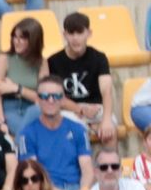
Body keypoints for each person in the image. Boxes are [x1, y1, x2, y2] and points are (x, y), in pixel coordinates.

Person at [20, 74, 95, 190]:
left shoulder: (77, 129)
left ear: (63, 99)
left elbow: (87, 168)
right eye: (45, 96)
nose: (50, 100)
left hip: (77, 189)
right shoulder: (27, 134)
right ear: (37, 99)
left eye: (56, 96)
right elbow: (33, 175)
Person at [48, 11, 118, 147]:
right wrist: (79, 109)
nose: (75, 38)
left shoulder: (99, 58)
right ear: (64, 35)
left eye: (80, 33)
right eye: (71, 33)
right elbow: (55, 96)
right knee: (74, 131)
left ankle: (110, 167)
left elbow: (107, 91)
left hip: (96, 109)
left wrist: (107, 120)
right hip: (68, 110)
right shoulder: (53, 61)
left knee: (110, 130)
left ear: (89, 33)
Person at [0, 16, 47, 138]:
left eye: (22, 38)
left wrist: (17, 88)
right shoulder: (4, 59)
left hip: (34, 109)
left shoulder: (42, 62)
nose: (16, 41)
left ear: (33, 40)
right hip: (10, 108)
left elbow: (43, 98)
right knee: (31, 134)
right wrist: (1, 122)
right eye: (15, 37)